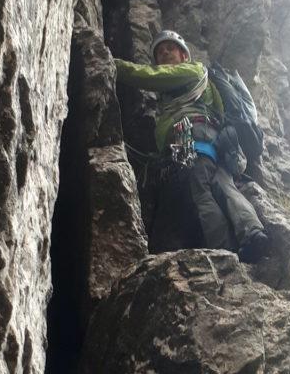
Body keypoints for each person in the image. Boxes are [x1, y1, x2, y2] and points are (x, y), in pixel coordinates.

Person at [115, 30, 270, 262]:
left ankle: (223, 251)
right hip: (213, 141)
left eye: (170, 48)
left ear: (184, 55)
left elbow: (150, 75)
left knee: (199, 190)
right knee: (223, 185)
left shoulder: (192, 70)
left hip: (189, 134)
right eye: (159, 52)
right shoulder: (204, 83)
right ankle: (252, 232)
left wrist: (114, 64)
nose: (165, 53)